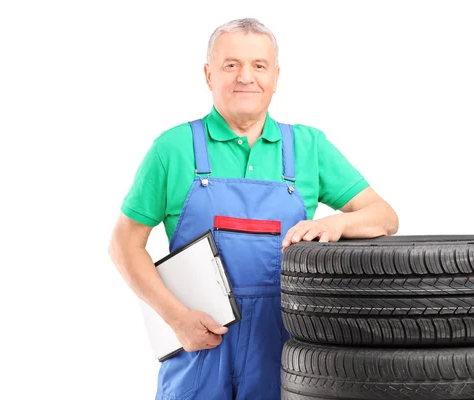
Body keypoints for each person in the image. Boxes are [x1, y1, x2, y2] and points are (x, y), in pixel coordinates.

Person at [108, 17, 398, 400]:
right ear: (209, 75)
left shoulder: (308, 147)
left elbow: (384, 216)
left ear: (275, 77)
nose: (246, 76)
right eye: (231, 65)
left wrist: (336, 224)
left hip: (280, 344)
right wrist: (177, 320)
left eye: (258, 66)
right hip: (200, 341)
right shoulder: (173, 148)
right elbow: (123, 245)